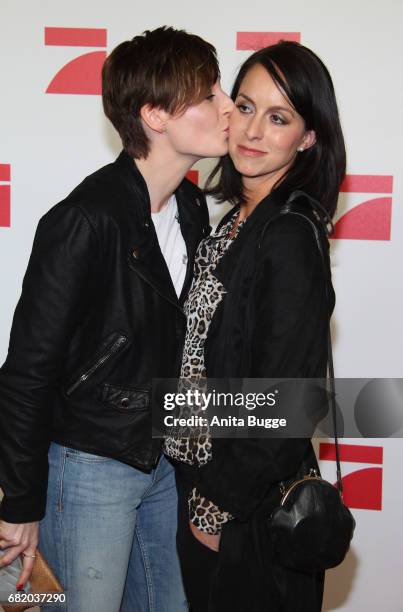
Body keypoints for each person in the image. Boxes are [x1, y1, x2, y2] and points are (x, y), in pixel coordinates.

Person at [0, 26, 233, 612]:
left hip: (162, 461)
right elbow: (28, 370)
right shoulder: (84, 220)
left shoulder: (189, 205)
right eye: (208, 95)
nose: (227, 108)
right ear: (155, 115)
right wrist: (20, 504)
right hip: (90, 465)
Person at [164, 41, 346, 611]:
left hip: (246, 510)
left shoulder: (289, 234)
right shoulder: (231, 222)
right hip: (196, 485)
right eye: (245, 107)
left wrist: (215, 508)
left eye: (279, 117)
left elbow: (288, 401)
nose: (253, 131)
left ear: (308, 137)